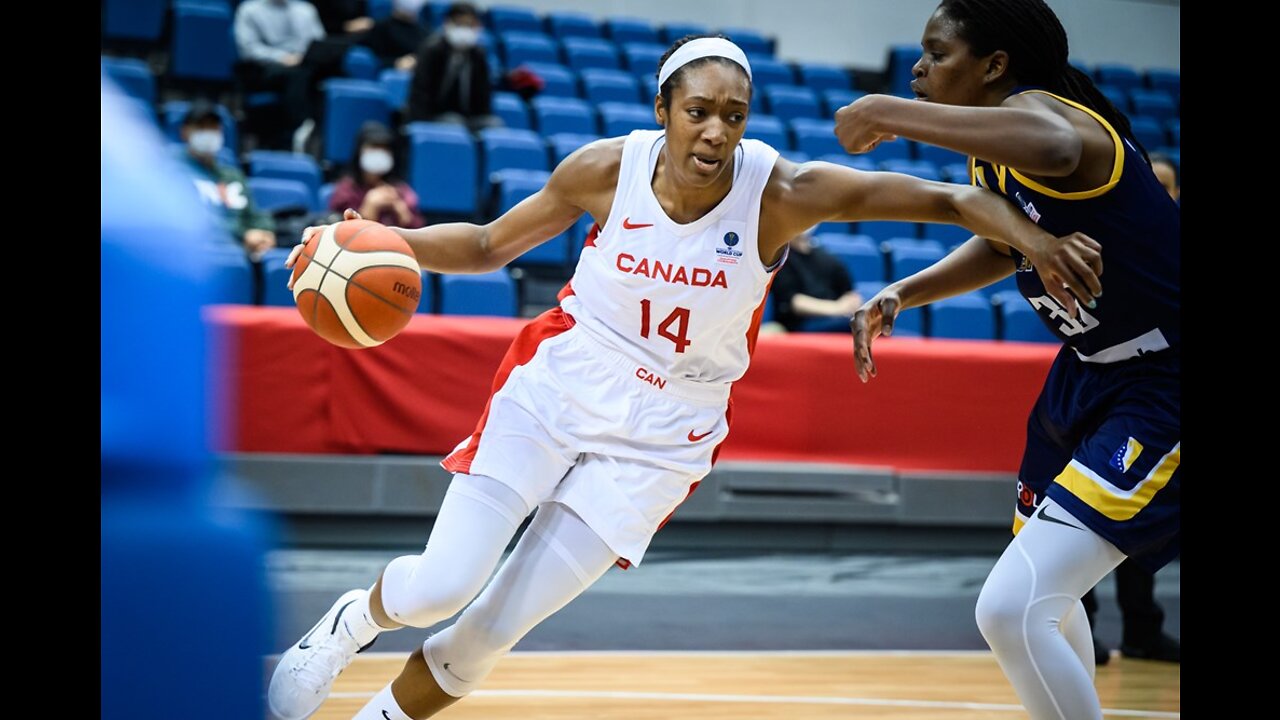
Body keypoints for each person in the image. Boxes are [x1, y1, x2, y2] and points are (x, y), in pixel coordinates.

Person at [268, 34, 1100, 720]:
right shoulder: (606, 169)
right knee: (440, 588)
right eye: (697, 112)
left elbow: (949, 202)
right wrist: (383, 245)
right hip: (563, 378)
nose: (714, 133)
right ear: (662, 109)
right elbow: (489, 246)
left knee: (488, 633)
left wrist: (1035, 239)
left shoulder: (782, 192)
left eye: (732, 117)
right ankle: (352, 622)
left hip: (667, 430)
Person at [833, 1, 1178, 717]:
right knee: (1047, 605)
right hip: (1086, 376)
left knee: (1009, 609)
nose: (920, 67)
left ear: (994, 65)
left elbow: (1052, 145)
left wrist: (888, 111)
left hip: (1165, 381)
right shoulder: (992, 155)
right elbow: (1000, 243)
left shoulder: (1062, 124)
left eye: (938, 53)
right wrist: (907, 290)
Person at [179, 100, 277, 260]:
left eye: (213, 128)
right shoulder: (174, 172)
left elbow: (255, 215)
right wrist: (242, 235)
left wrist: (265, 233)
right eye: (201, 127)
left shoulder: (232, 176)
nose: (208, 133)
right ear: (184, 131)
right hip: (199, 256)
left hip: (241, 254)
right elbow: (187, 221)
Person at [406, 2, 502, 131]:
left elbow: (484, 97)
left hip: (468, 118)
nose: (464, 30)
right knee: (453, 121)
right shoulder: (431, 50)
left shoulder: (478, 56)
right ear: (447, 24)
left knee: (494, 124)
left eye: (469, 25)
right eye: (459, 24)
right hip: (433, 115)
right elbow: (420, 93)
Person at [328, 120, 426, 228]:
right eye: (373, 147)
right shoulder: (345, 191)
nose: (379, 154)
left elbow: (418, 231)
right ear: (359, 152)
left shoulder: (402, 192)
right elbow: (339, 232)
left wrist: (401, 210)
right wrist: (370, 206)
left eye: (384, 149)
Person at [770, 227, 863, 332]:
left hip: (835, 320)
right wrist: (836, 308)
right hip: (799, 324)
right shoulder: (781, 259)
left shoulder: (827, 258)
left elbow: (850, 293)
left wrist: (848, 305)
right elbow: (793, 302)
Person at [359, 0, 429, 71]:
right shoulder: (381, 28)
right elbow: (376, 58)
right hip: (390, 73)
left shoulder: (426, 32)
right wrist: (396, 62)